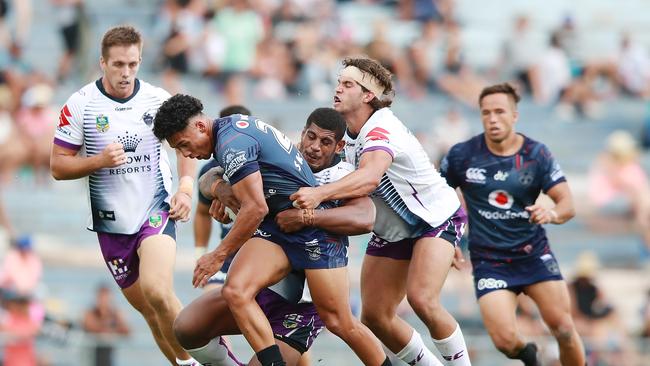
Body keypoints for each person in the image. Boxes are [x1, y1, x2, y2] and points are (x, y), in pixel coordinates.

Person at [153, 95, 391, 366]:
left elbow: (257, 209)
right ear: (302, 134)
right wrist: (221, 190)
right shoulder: (232, 138)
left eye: (184, 145)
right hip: (277, 241)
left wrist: (218, 255)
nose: (314, 147)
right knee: (211, 309)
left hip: (312, 253)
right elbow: (209, 178)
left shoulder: (341, 174)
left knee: (340, 322)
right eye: (310, 137)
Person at [291, 57, 470, 366]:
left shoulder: (380, 126)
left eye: (347, 84)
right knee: (374, 316)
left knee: (422, 299)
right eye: (338, 82)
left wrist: (318, 194)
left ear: (368, 95)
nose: (337, 89)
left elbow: (370, 176)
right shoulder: (343, 132)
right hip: (397, 228)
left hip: (435, 221)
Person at [49, 25, 197, 366]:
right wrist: (99, 161)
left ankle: (210, 360)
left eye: (132, 64)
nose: (126, 72)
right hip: (112, 227)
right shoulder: (81, 105)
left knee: (158, 290)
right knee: (149, 311)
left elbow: (187, 147)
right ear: (102, 62)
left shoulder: (158, 100)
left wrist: (186, 189)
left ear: (140, 60)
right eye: (118, 65)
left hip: (154, 213)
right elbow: (58, 166)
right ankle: (186, 363)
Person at [439, 82, 586, 365]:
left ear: (515, 115)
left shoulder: (536, 154)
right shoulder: (462, 155)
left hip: (534, 255)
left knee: (565, 329)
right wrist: (446, 238)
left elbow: (567, 204)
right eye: (486, 113)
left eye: (499, 112)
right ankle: (530, 357)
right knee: (505, 343)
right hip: (490, 261)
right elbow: (434, 197)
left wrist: (551, 214)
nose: (493, 119)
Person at [193, 105, 251, 293]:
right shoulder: (209, 171)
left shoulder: (261, 165)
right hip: (226, 258)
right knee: (208, 305)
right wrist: (200, 254)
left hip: (257, 253)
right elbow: (202, 213)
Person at [82, 283, 131, 366]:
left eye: (106, 297)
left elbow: (127, 331)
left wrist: (112, 322)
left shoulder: (114, 313)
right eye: (102, 297)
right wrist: (110, 326)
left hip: (109, 355)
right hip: (91, 356)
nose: (104, 300)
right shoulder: (91, 312)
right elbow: (91, 327)